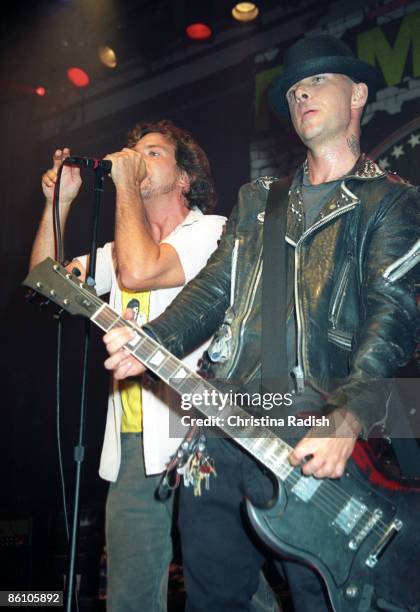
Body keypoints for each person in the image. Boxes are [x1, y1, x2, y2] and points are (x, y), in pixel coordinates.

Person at [102, 35, 420, 612]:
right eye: (295, 88)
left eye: (317, 81)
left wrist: (348, 417)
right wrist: (150, 342)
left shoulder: (390, 203)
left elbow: (394, 318)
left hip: (316, 427)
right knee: (213, 597)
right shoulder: (258, 201)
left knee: (316, 594)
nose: (302, 94)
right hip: (224, 426)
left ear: (359, 96)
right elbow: (210, 291)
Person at [29, 121, 228, 611]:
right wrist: (62, 202)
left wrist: (122, 184)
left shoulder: (214, 232)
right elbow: (44, 282)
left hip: (201, 434)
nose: (135, 159)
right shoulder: (116, 251)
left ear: (185, 178)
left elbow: (143, 268)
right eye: (132, 152)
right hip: (135, 443)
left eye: (153, 154)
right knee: (130, 594)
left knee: (226, 586)